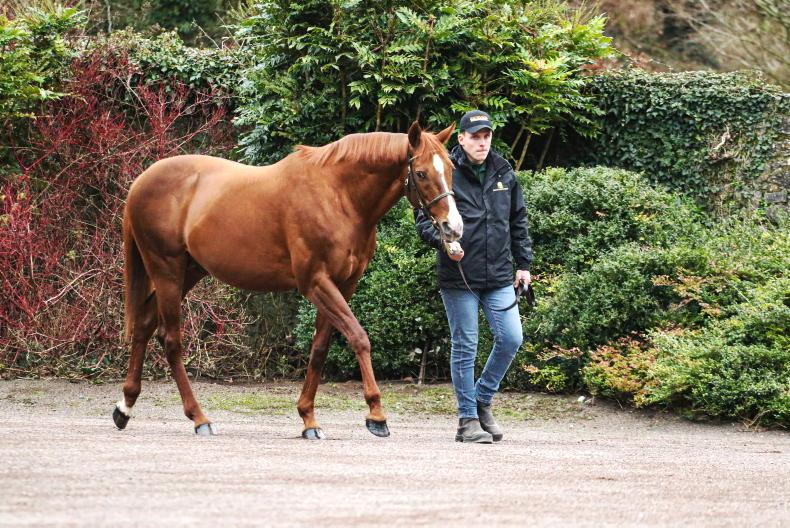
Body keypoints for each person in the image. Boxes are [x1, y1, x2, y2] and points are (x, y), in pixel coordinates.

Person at [414, 109, 533, 444]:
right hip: (459, 276)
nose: (482, 143)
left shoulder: (503, 170)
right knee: (466, 346)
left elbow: (518, 220)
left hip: (499, 274)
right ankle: (467, 421)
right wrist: (444, 243)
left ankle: (481, 399)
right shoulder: (445, 169)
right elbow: (424, 221)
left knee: (511, 339)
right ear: (462, 139)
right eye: (475, 137)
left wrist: (524, 264)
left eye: (486, 136)